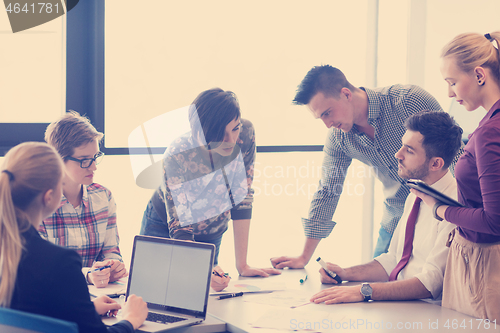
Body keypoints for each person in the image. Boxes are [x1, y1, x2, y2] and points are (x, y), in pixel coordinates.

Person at [271, 65, 458, 270]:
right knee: (375, 288)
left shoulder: (407, 101)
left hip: (443, 219)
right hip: (395, 222)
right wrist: (304, 257)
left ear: (346, 94)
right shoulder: (339, 138)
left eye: (327, 113)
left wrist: (471, 216)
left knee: (443, 288)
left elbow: (454, 153)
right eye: (321, 118)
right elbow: (328, 190)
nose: (327, 124)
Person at [310, 110, 462, 304]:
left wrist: (365, 291)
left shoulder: (454, 208)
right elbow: (394, 260)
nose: (398, 154)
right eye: (402, 145)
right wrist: (345, 273)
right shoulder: (417, 193)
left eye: (409, 150)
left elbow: (431, 283)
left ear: (435, 164)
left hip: (428, 312)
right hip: (401, 306)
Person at [140, 88, 280, 291]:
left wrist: (242, 265)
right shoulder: (177, 153)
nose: (231, 141)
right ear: (197, 132)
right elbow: (180, 228)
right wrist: (201, 270)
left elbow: (242, 197)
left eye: (234, 129)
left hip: (212, 227)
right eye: (220, 135)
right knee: (150, 289)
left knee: (197, 292)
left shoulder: (245, 134)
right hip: (165, 225)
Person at [1, 142, 148, 333]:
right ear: (49, 196)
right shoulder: (60, 262)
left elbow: (29, 313)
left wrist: (86, 310)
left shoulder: (13, 252)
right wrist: (130, 319)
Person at [414, 31, 500, 321]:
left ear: (479, 75)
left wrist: (440, 209)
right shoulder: (490, 124)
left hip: (485, 267)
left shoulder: (490, 132)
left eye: (452, 82)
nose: (450, 93)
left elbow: (494, 220)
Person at [39, 111, 127, 288]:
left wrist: (112, 266)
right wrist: (88, 274)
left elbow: (111, 252)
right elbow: (41, 267)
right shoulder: (39, 203)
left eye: (95, 157)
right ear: (58, 158)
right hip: (54, 295)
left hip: (99, 293)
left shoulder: (104, 197)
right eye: (84, 160)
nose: (93, 166)